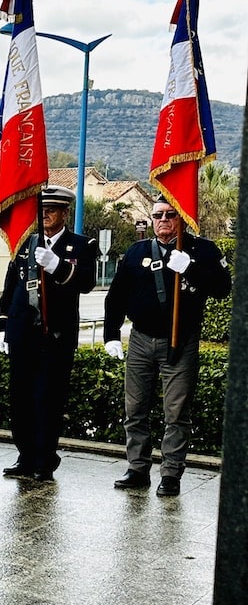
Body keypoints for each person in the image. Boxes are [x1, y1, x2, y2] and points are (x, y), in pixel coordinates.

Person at [103, 196, 232, 497]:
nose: (163, 220)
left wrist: (191, 268)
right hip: (141, 340)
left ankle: (171, 473)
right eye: (158, 214)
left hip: (180, 341)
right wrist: (111, 334)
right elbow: (116, 297)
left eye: (170, 214)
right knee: (134, 409)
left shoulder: (202, 250)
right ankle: (137, 467)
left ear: (182, 217)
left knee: (175, 411)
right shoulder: (136, 252)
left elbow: (223, 288)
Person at [0, 185, 99, 481]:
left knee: (47, 400)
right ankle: (25, 456)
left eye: (51, 210)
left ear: (65, 213)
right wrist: (4, 325)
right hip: (22, 334)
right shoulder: (25, 244)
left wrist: (56, 265)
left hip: (55, 336)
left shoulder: (81, 245)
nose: (45, 215)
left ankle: (45, 459)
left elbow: (86, 282)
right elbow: (11, 289)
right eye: (42, 211)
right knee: (20, 399)